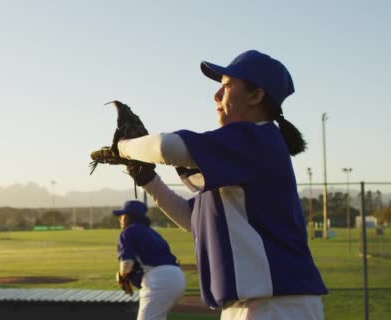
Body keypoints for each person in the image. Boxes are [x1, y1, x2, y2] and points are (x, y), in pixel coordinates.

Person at [115, 50, 328, 320]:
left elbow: (165, 147)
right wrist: (149, 181)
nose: (216, 95)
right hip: (256, 304)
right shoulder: (242, 153)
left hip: (277, 305)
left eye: (226, 86)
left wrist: (124, 147)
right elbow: (195, 221)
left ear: (256, 96)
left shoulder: (257, 137)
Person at [113, 200, 185, 320]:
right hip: (177, 278)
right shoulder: (153, 233)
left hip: (158, 280)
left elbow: (126, 265)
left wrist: (122, 276)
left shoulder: (127, 232)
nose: (120, 219)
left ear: (128, 217)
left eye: (122, 215)